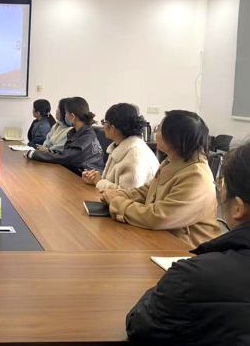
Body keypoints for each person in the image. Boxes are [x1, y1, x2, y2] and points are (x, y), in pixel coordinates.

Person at [126, 142, 250, 346]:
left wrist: (167, 284)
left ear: (238, 208)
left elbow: (139, 326)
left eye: (222, 184)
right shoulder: (168, 164)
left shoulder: (190, 279)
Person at [100, 110, 220, 248]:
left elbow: (159, 217)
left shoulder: (196, 176)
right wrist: (118, 194)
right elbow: (147, 191)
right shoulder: (173, 161)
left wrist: (117, 203)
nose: (155, 133)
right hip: (164, 239)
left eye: (158, 129)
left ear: (173, 137)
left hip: (188, 250)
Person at [82, 103, 159, 190]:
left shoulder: (135, 157)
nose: (103, 125)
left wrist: (99, 181)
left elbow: (126, 194)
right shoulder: (120, 147)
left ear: (112, 128)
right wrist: (95, 179)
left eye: (104, 122)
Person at [25, 97, 104, 175]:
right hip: (75, 172)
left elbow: (64, 157)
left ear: (72, 116)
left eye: (66, 113)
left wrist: (34, 154)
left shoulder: (85, 137)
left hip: (84, 176)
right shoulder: (77, 132)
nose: (64, 115)